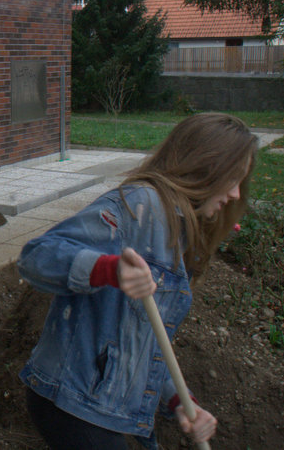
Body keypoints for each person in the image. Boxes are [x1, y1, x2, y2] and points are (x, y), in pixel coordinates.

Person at [17, 112, 257, 449]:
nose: (234, 193)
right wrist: (108, 269)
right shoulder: (138, 205)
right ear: (206, 167)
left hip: (104, 408)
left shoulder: (177, 232)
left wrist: (180, 401)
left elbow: (145, 342)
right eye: (232, 179)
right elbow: (36, 256)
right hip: (71, 402)